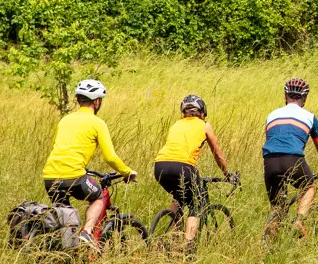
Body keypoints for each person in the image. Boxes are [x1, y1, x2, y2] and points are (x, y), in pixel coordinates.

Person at [41, 79, 136, 247]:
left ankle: (68, 252)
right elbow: (110, 157)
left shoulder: (65, 120)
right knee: (99, 197)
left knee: (65, 219)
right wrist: (127, 172)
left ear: (79, 100)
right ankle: (86, 232)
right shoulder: (97, 123)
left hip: (50, 177)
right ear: (97, 101)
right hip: (74, 176)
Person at [152, 94, 233, 253]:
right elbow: (217, 154)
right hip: (184, 167)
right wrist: (227, 173)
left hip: (160, 166)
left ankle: (174, 236)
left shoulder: (176, 124)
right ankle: (188, 243)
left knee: (179, 196)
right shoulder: (204, 125)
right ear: (202, 112)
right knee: (197, 203)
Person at [262, 77, 318, 239]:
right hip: (292, 158)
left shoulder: (272, 115)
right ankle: (299, 221)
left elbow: (274, 141)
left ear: (285, 96)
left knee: (277, 209)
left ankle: (267, 250)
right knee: (309, 187)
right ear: (305, 97)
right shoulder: (309, 117)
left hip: (270, 161)